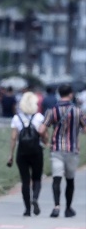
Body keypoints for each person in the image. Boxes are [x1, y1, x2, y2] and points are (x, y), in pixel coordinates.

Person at [39, 84, 86, 218]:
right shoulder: (78, 111)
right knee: (70, 180)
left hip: (56, 149)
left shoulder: (52, 110)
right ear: (70, 94)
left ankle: (56, 206)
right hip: (72, 149)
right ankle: (68, 208)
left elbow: (41, 129)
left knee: (56, 178)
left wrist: (45, 140)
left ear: (59, 94)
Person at [7, 92, 46, 216]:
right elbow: (44, 135)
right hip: (36, 151)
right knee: (37, 178)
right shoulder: (39, 117)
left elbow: (13, 138)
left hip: (22, 152)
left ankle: (27, 209)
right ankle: (35, 197)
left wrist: (11, 155)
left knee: (25, 181)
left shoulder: (16, 118)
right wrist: (46, 142)